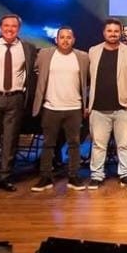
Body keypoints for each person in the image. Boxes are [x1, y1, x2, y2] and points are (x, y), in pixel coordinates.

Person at [0, 14, 38, 195]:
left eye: (14, 26)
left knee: (11, 140)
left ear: (19, 29)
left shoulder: (28, 48)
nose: (10, 29)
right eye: (6, 25)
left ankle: (5, 177)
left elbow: (31, 73)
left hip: (15, 98)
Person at [86, 18, 127, 190]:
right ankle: (97, 176)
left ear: (121, 33)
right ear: (104, 33)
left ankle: (125, 174)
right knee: (98, 145)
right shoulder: (93, 51)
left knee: (124, 144)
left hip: (124, 108)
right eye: (109, 31)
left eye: (116, 31)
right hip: (98, 108)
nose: (113, 34)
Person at [31, 26, 90, 192]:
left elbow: (88, 78)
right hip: (51, 107)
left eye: (68, 37)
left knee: (74, 144)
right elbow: (35, 70)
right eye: (62, 37)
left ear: (74, 40)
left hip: (74, 108)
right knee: (48, 144)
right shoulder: (45, 54)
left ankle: (74, 176)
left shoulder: (83, 57)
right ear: (56, 39)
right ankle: (45, 177)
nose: (65, 40)